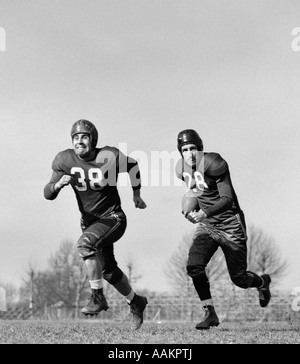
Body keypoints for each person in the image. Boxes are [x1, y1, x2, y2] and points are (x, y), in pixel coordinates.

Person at [44, 119, 148, 330]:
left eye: (84, 137)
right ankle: (136, 301)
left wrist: (136, 194)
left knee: (85, 245)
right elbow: (47, 193)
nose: (79, 141)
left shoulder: (108, 156)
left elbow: (133, 165)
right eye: (75, 137)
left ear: (93, 140)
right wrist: (57, 185)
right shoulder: (64, 159)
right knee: (108, 271)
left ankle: (97, 297)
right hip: (90, 222)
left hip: (112, 218)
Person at [175, 129, 271, 330]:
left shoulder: (214, 163)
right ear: (180, 152)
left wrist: (203, 213)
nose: (190, 154)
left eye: (193, 148)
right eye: (185, 149)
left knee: (240, 279)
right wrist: (189, 210)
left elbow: (227, 200)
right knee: (194, 266)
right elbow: (193, 190)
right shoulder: (181, 168)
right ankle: (209, 312)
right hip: (208, 226)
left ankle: (262, 282)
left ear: (200, 148)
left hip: (230, 224)